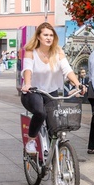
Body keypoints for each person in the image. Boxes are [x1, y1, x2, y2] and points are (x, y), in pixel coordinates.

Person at [20, 22, 85, 156]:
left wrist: (78, 84)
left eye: (51, 35)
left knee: (55, 126)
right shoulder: (31, 51)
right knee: (40, 113)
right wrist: (27, 84)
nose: (49, 38)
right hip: (33, 91)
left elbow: (67, 70)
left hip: (51, 93)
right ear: (38, 37)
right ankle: (31, 141)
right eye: (45, 35)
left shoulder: (57, 52)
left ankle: (53, 158)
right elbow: (28, 69)